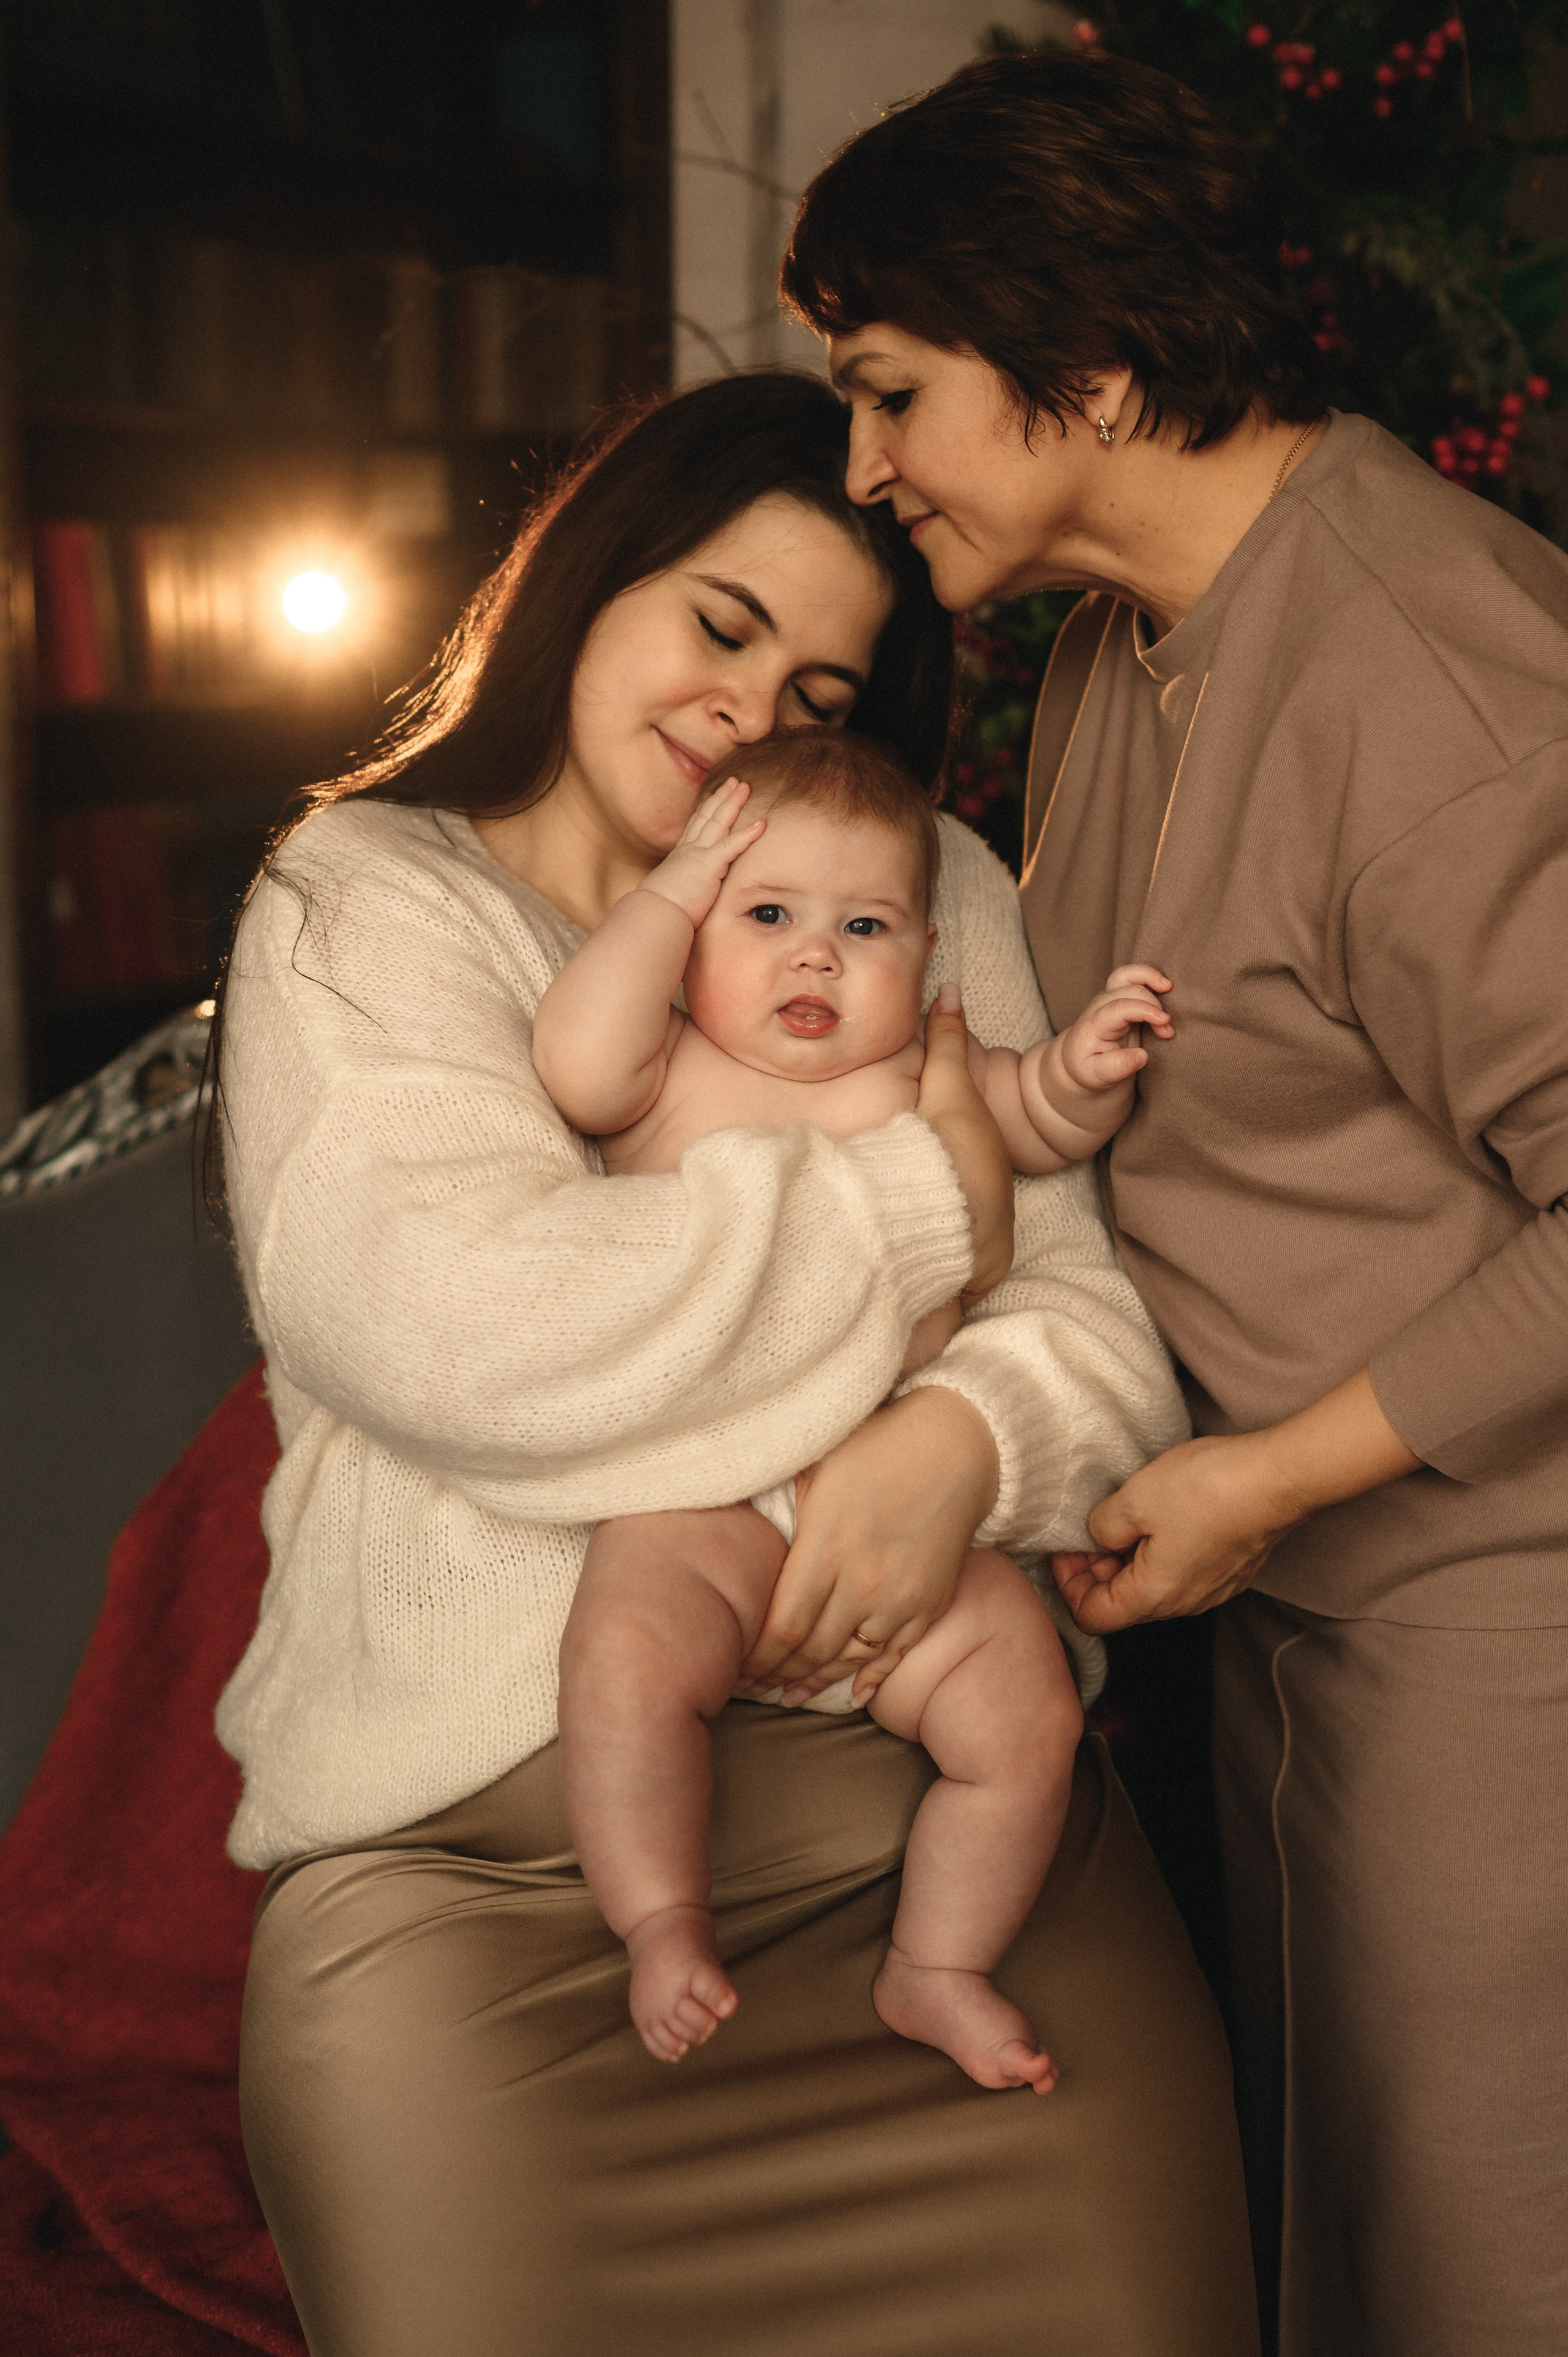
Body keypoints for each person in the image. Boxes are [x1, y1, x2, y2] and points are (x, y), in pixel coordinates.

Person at [216, 369, 1259, 2356]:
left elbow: (1104, 1345)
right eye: (720, 622)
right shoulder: (364, 897)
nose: (749, 710)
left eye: (819, 689)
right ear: (588, 578)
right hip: (492, 1910)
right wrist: (928, 1209)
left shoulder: (922, 879)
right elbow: (474, 1331)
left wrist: (964, 1440)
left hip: (944, 1842)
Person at [783, 43, 1568, 2357]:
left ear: (1094, 368)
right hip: (1297, 1618)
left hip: (1505, 1630)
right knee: (1330, 2259)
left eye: (893, 391)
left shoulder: (1432, 670)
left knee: (1481, 2271)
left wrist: (1274, 1473)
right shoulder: (1117, 649)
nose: (862, 467)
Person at [535, 726, 1174, 2088]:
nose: (816, 957)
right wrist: (669, 897)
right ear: (689, 937)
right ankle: (661, 1919)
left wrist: (1081, 1067)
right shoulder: (664, 1068)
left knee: (1029, 1716)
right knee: (624, 1665)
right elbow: (576, 1060)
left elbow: (1041, 1119)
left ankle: (935, 1964)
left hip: (895, 1503)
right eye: (766, 916)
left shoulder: (923, 1077)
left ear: (925, 956)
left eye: (863, 926)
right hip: (702, 1493)